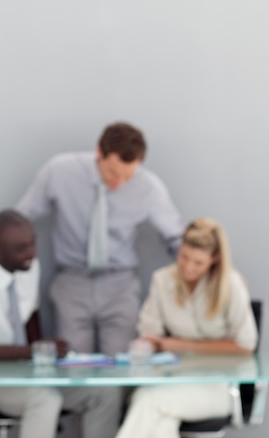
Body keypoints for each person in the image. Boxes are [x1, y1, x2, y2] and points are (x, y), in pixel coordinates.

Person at [15, 122, 184, 356]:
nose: (119, 183)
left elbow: (175, 238)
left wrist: (197, 275)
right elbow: (20, 220)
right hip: (71, 282)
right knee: (72, 364)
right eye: (113, 173)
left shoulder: (149, 187)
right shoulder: (59, 171)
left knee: (122, 363)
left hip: (121, 286)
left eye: (128, 176)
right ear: (99, 153)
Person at [0, 209, 123, 438]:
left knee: (105, 392)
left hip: (26, 374)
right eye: (21, 248)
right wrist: (30, 351)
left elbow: (29, 318)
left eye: (32, 244)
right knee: (45, 399)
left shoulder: (28, 265)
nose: (32, 253)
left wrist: (44, 350)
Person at [116, 218, 258, 438]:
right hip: (171, 380)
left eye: (198, 262)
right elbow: (149, 331)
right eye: (184, 257)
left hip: (217, 387)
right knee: (160, 423)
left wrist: (183, 346)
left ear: (215, 258)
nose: (188, 267)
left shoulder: (230, 283)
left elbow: (246, 345)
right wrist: (147, 344)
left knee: (148, 400)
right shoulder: (163, 280)